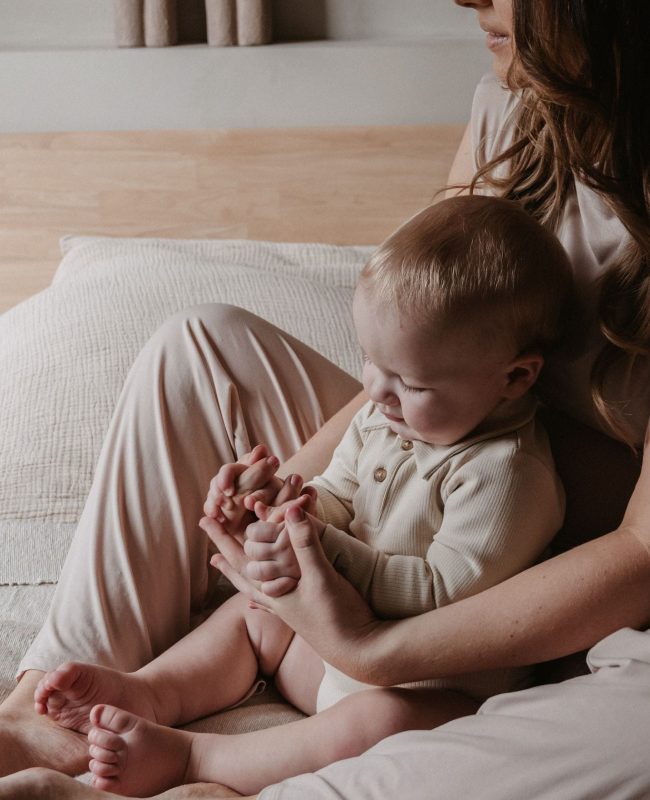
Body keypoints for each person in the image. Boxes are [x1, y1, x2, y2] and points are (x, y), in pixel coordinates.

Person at [1, 0, 649, 798]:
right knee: (199, 346)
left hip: (561, 590)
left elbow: (640, 554)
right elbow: (419, 334)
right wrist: (282, 507)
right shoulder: (517, 98)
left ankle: (213, 773)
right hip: (424, 463)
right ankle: (48, 713)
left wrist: (365, 643)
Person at [30, 195, 571, 797]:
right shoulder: (385, 414)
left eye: (411, 383)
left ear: (515, 377)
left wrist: (320, 550)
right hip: (328, 653)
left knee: (385, 724)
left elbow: (444, 594)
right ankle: (153, 691)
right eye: (370, 362)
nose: (377, 392)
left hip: (421, 682)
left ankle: (193, 759)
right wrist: (281, 506)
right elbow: (336, 493)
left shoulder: (508, 475)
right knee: (255, 612)